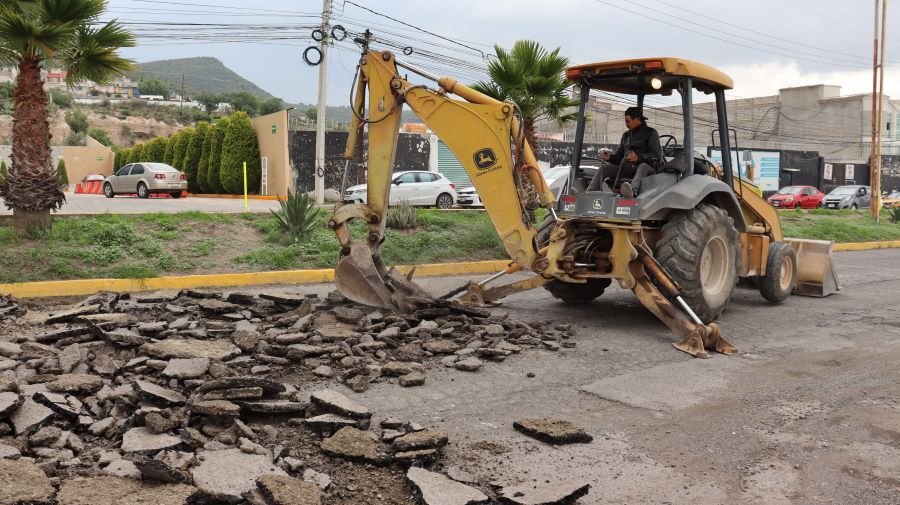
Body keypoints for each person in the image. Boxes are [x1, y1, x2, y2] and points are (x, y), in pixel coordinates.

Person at [587, 106, 663, 197]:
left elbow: (657, 155)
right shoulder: (626, 135)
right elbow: (619, 155)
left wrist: (638, 157)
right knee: (604, 169)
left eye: (628, 121)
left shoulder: (651, 133)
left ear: (637, 119)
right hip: (627, 168)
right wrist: (610, 157)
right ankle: (589, 194)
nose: (626, 124)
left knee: (642, 166)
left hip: (647, 170)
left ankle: (632, 192)